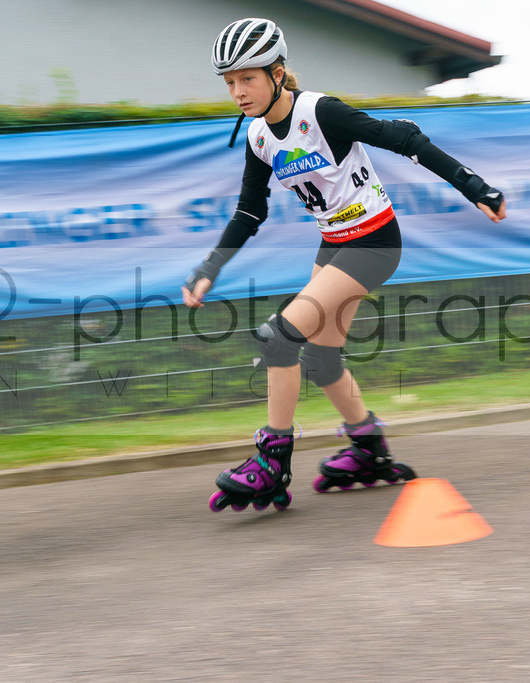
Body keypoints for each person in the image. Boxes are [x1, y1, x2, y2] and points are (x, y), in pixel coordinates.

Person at [184, 18, 506, 512]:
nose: (237, 92)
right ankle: (370, 449)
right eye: (229, 83)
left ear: (277, 72)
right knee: (319, 357)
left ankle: (272, 460)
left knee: (278, 336)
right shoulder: (258, 138)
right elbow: (251, 210)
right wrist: (212, 264)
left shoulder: (320, 112)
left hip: (375, 242)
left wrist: (473, 185)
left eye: (247, 78)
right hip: (334, 245)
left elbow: (405, 138)